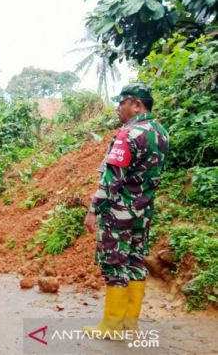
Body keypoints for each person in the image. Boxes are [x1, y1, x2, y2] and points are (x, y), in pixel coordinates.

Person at [83, 84, 169, 340]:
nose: (118, 109)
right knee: (134, 262)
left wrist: (93, 210)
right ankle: (129, 324)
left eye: (121, 103)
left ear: (136, 105)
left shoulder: (129, 134)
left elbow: (112, 179)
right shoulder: (161, 133)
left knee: (114, 264)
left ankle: (111, 327)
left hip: (119, 213)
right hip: (143, 214)